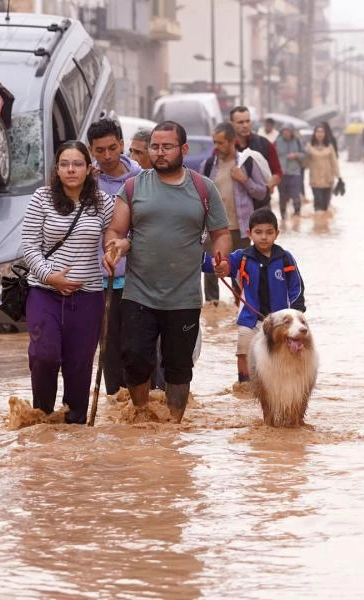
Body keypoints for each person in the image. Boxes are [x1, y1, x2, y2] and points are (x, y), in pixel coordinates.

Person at [103, 121, 232, 423]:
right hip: (139, 293)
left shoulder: (203, 188)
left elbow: (221, 232)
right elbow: (116, 230)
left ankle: (174, 426)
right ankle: (141, 415)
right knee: (135, 359)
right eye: (155, 147)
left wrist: (221, 257)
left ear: (183, 149)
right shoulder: (134, 186)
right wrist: (115, 247)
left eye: (167, 147)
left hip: (184, 297)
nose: (159, 153)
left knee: (178, 367)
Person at [22, 141, 114, 424]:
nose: (71, 169)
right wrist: (50, 277)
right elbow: (28, 246)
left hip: (88, 297)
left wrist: (112, 252)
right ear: (57, 169)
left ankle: (74, 427)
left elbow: (117, 235)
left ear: (89, 169)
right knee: (44, 355)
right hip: (44, 291)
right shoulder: (41, 198)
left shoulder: (103, 202)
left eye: (77, 164)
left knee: (79, 366)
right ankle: (43, 418)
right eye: (64, 164)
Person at [213, 208, 305, 383]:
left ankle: (279, 385)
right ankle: (244, 386)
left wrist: (296, 315)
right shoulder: (242, 258)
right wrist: (217, 264)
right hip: (250, 319)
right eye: (258, 232)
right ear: (249, 233)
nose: (264, 237)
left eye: (269, 232)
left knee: (282, 354)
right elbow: (222, 265)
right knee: (243, 352)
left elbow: (297, 288)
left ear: (277, 233)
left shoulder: (285, 258)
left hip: (280, 322)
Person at [87, 118, 140, 396]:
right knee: (108, 350)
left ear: (122, 145)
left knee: (137, 347)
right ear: (91, 150)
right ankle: (115, 404)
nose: (107, 156)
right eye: (99, 150)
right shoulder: (86, 182)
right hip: (99, 281)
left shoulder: (141, 179)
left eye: (112, 148)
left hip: (136, 280)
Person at [201, 122, 267, 304]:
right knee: (211, 272)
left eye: (220, 143)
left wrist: (244, 180)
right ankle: (212, 311)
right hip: (214, 228)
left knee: (240, 272)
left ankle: (241, 309)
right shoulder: (207, 165)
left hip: (241, 228)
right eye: (214, 142)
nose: (216, 147)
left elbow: (262, 192)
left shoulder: (247, 163)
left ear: (233, 142)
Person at [229, 106, 282, 209]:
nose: (245, 125)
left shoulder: (264, 144)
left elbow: (277, 173)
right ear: (232, 124)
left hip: (261, 204)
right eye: (240, 122)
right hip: (235, 206)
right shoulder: (226, 147)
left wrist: (265, 189)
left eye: (248, 121)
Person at [306, 123, 339, 214]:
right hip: (315, 180)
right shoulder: (309, 147)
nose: (320, 134)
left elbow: (334, 162)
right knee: (318, 204)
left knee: (325, 206)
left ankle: (324, 226)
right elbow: (305, 164)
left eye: (322, 132)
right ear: (314, 134)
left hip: (328, 180)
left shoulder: (330, 146)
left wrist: (339, 177)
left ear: (325, 134)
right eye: (317, 132)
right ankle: (317, 226)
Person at [274, 125, 304, 220]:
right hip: (281, 173)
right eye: (284, 131)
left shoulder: (297, 141)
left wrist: (296, 155)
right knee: (282, 197)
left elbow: (305, 154)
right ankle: (283, 217)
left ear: (292, 132)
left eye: (288, 131)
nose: (286, 133)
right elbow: (271, 156)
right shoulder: (277, 142)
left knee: (296, 195)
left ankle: (297, 216)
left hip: (295, 172)